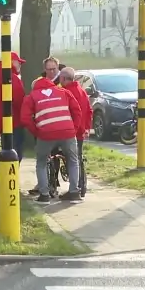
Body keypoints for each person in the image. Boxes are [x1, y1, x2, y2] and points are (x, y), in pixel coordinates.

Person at [20, 67, 83, 205]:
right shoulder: (63, 91)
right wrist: (73, 128)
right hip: (67, 132)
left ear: (34, 87)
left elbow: (24, 118)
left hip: (46, 134)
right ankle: (74, 192)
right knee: (73, 160)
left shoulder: (32, 96)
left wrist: (37, 132)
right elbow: (77, 111)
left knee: (41, 163)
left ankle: (44, 195)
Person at [58, 67, 92, 197]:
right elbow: (89, 111)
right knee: (78, 158)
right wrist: (87, 128)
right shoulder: (81, 91)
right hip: (81, 131)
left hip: (70, 132)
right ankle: (82, 186)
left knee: (72, 161)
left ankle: (74, 189)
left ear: (63, 78)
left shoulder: (65, 92)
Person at [0, 52, 26, 162]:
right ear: (11, 62)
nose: (20, 65)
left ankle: (5, 176)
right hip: (14, 119)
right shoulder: (12, 78)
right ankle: (13, 177)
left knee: (6, 149)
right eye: (18, 62)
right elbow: (19, 99)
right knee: (16, 152)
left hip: (2, 120)